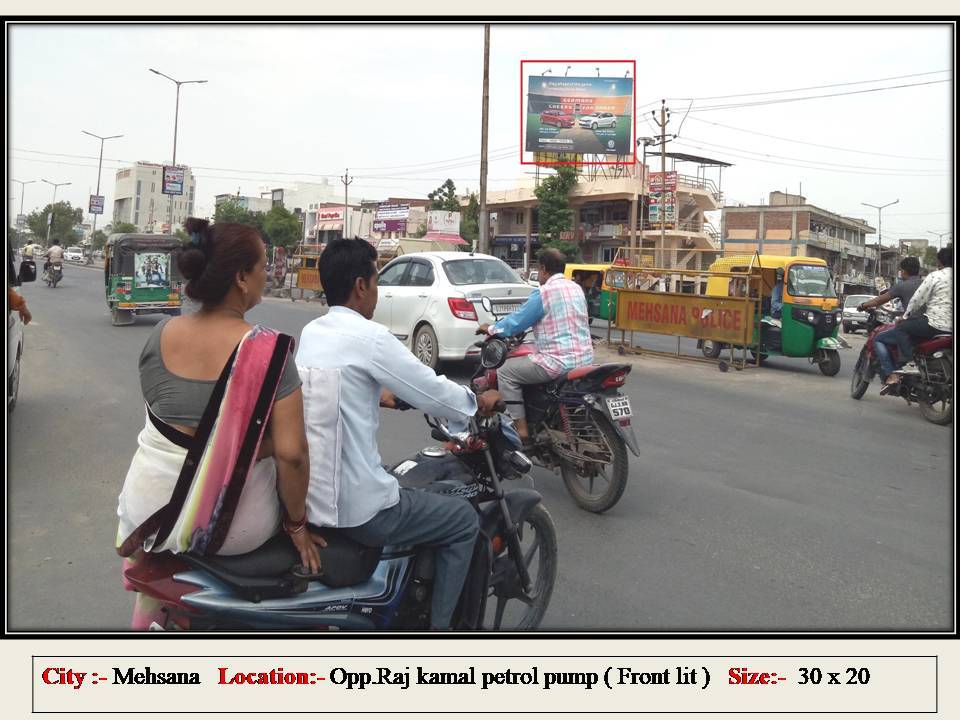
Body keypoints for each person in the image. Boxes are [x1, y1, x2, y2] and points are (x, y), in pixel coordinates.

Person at [116, 218, 321, 627]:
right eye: (263, 265)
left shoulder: (159, 334)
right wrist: (297, 525)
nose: (269, 274)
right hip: (231, 530)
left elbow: (176, 422)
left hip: (145, 513)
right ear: (242, 277)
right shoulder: (271, 351)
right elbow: (292, 455)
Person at [296, 237, 502, 631]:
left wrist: (376, 396)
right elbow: (431, 388)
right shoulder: (370, 337)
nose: (377, 289)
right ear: (361, 285)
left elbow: (328, 393)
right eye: (376, 279)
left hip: (311, 497)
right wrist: (477, 401)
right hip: (358, 508)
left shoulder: (313, 333)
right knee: (460, 519)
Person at [477, 248, 593, 442]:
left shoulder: (543, 293)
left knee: (506, 371)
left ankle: (520, 428)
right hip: (585, 359)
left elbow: (516, 321)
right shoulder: (576, 289)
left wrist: (491, 329)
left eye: (539, 270)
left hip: (557, 361)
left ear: (543, 269)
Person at [886, 247, 953, 384]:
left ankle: (910, 363)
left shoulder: (935, 276)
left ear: (939, 262)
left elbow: (917, 300)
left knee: (901, 328)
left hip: (935, 324)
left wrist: (904, 317)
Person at [855, 256, 923, 386]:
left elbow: (879, 300)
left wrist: (863, 305)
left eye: (901, 270)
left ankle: (891, 373)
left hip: (911, 326)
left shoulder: (902, 286)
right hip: (929, 326)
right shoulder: (926, 284)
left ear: (903, 271)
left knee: (878, 339)